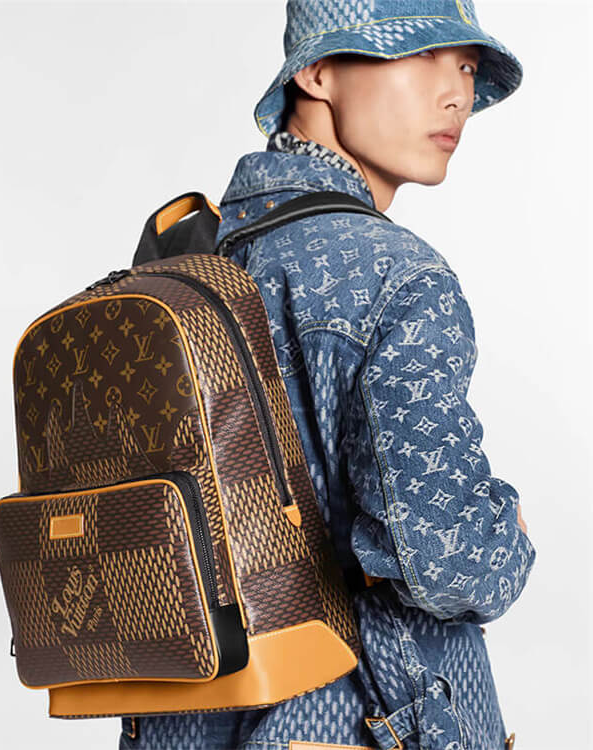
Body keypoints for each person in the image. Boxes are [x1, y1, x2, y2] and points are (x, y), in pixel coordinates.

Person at [119, 1, 535, 748]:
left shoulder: (186, 264)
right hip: (353, 718)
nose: (456, 94)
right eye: (421, 56)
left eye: (467, 66)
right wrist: (505, 535)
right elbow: (443, 561)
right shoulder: (401, 278)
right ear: (315, 72)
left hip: (178, 723)